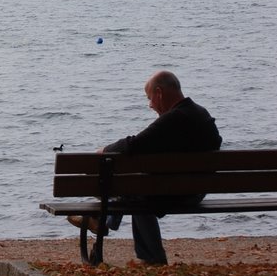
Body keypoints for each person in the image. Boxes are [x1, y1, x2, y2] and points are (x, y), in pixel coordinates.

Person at [69, 70, 222, 265]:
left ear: (159, 93)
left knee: (137, 191)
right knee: (138, 187)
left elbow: (134, 144)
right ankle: (102, 222)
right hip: (198, 190)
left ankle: (149, 255)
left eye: (150, 98)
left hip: (177, 193)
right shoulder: (201, 114)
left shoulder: (174, 119)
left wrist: (103, 151)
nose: (150, 105)